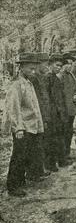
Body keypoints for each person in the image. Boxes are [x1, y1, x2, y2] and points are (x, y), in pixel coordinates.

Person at [1, 53, 44, 197]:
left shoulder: (28, 83)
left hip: (31, 126)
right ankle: (13, 186)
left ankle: (20, 181)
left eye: (34, 69)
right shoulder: (17, 85)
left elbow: (33, 107)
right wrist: (18, 127)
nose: (33, 71)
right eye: (31, 69)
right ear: (22, 67)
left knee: (26, 155)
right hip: (22, 128)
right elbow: (14, 108)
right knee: (18, 156)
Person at [47, 53, 72, 169]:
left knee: (60, 138)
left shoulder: (56, 78)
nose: (59, 68)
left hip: (60, 113)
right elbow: (50, 99)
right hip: (53, 114)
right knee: (52, 139)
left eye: (60, 66)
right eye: (57, 65)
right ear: (50, 64)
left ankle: (60, 161)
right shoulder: (48, 78)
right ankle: (51, 164)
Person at [62, 52, 76, 159]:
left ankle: (66, 153)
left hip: (71, 110)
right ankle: (61, 155)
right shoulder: (59, 77)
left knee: (69, 133)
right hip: (62, 111)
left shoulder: (72, 76)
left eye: (71, 64)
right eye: (67, 63)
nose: (69, 66)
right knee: (61, 133)